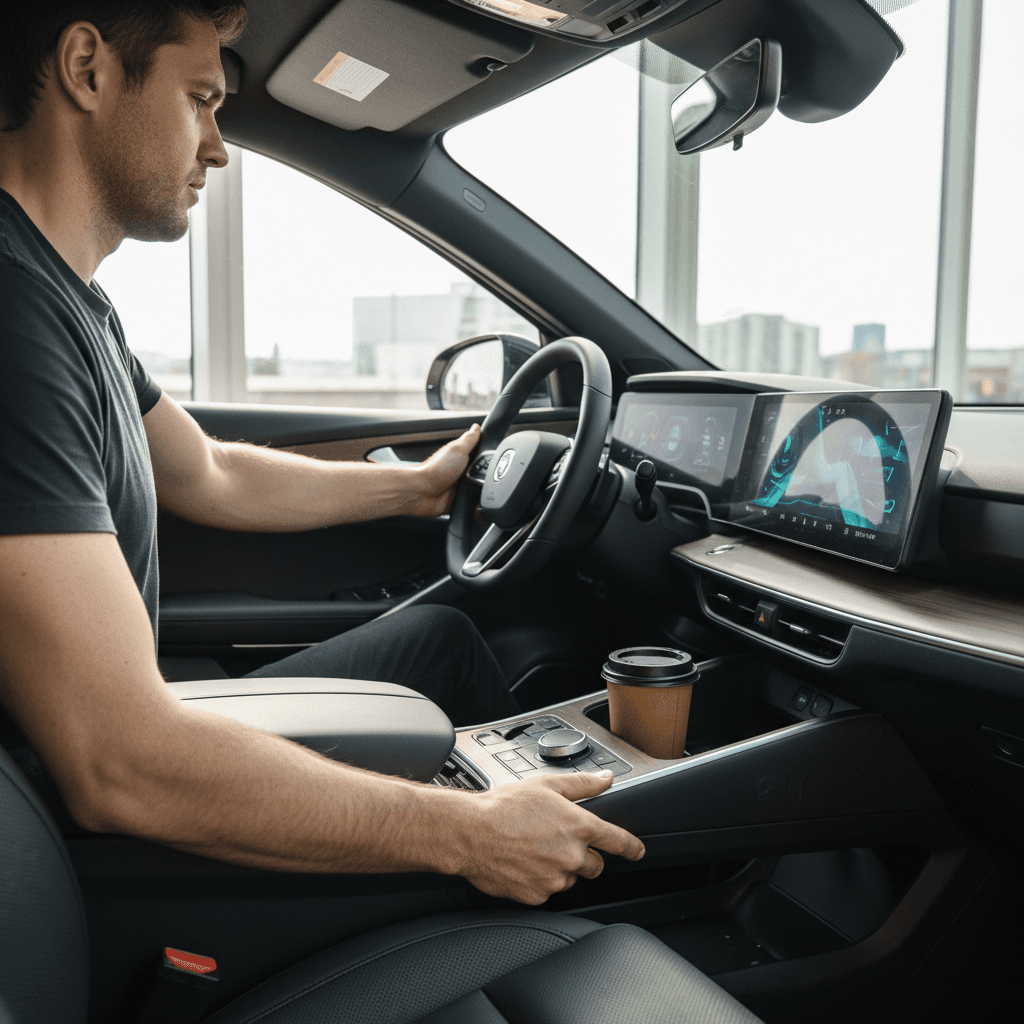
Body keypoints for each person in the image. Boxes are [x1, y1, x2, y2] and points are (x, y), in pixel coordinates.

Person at [0, 1, 644, 904]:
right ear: (87, 68)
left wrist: (415, 491)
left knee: (438, 641)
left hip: (87, 768)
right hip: (63, 853)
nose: (217, 147)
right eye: (200, 99)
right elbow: (120, 764)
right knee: (490, 798)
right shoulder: (14, 322)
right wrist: (472, 836)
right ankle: (612, 920)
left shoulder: (68, 302)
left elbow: (213, 473)